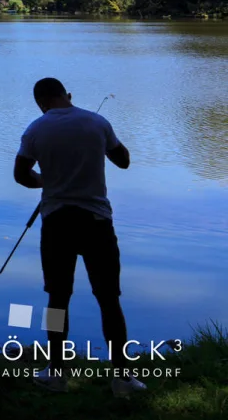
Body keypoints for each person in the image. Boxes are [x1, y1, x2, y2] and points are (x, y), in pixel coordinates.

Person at [13, 78, 146, 397]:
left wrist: (45, 181)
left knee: (58, 299)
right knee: (109, 299)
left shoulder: (35, 130)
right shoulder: (97, 122)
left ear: (40, 102)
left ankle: (56, 373)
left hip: (57, 222)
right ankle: (123, 378)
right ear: (68, 96)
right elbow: (124, 160)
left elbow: (20, 175)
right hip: (97, 222)